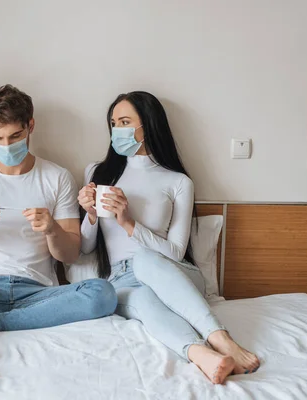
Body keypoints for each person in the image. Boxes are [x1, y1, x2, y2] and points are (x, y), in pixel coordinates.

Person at [0, 85, 117, 388]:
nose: (6, 145)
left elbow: (70, 254)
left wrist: (52, 229)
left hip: (37, 293)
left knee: (103, 293)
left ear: (30, 126)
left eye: (15, 136)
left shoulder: (57, 177)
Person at [78, 91, 260, 384]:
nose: (117, 130)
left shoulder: (177, 182)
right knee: (142, 298)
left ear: (147, 126)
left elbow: (176, 251)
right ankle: (204, 356)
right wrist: (88, 214)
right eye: (113, 123)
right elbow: (85, 247)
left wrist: (129, 224)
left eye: (125, 122)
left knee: (146, 259)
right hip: (122, 281)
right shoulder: (98, 173)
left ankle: (221, 337)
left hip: (174, 274)